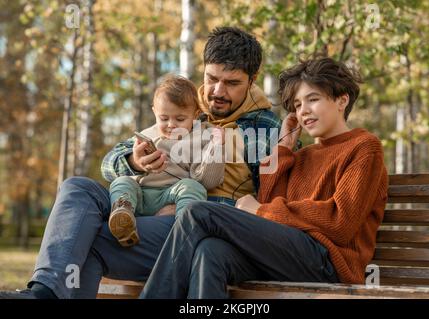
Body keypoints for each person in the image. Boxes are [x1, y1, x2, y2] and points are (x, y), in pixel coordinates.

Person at [0, 26, 280, 299]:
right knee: (77, 189)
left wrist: (193, 207)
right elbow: (109, 163)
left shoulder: (261, 128)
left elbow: (267, 210)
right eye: (211, 79)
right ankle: (42, 292)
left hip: (195, 227)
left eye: (232, 83)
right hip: (144, 203)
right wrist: (134, 161)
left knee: (90, 239)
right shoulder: (183, 106)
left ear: (252, 80)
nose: (217, 91)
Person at [139, 56, 389, 299]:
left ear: (341, 100)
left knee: (198, 212)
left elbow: (340, 223)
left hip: (330, 263)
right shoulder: (303, 155)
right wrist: (283, 149)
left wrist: (260, 211)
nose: (304, 111)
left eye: (312, 100)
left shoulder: (364, 147)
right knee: (210, 252)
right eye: (298, 105)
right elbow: (271, 208)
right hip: (288, 256)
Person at [108, 75, 225, 247]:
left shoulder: (202, 137)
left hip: (171, 196)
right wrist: (135, 161)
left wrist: (216, 146)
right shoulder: (145, 135)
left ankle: (186, 225)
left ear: (195, 115)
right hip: (140, 196)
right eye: (164, 118)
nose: (171, 125)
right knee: (122, 182)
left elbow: (207, 181)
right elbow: (110, 162)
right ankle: (122, 214)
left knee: (193, 186)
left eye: (180, 119)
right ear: (154, 112)